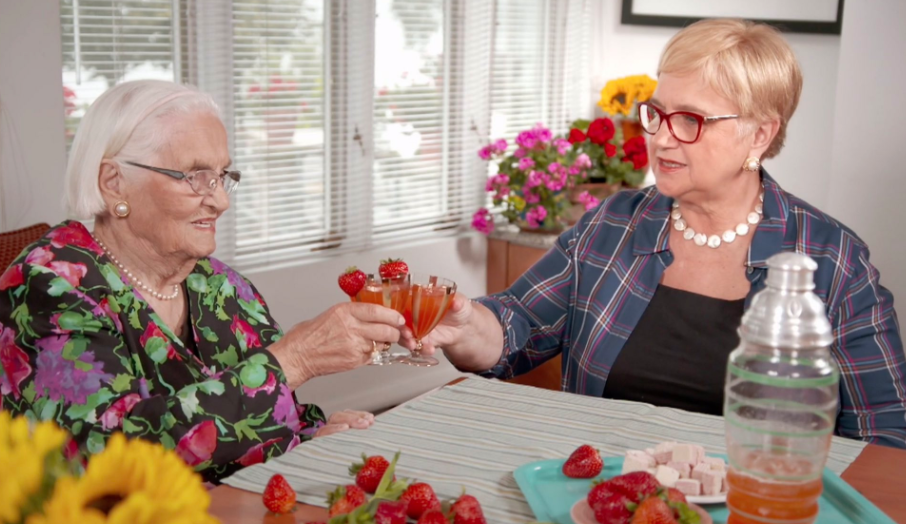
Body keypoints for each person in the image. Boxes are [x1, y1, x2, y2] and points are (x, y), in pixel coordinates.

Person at [401, 19, 906, 449]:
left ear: (760, 134)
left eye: (690, 120)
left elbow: (882, 433)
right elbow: (518, 327)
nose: (661, 137)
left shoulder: (831, 257)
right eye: (657, 112)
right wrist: (465, 326)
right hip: (598, 496)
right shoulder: (614, 223)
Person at [0, 80, 405, 482]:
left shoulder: (221, 287)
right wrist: (294, 359)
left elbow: (271, 421)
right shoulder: (47, 288)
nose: (221, 200)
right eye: (194, 176)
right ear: (114, 182)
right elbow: (106, 456)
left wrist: (315, 436)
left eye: (222, 175)